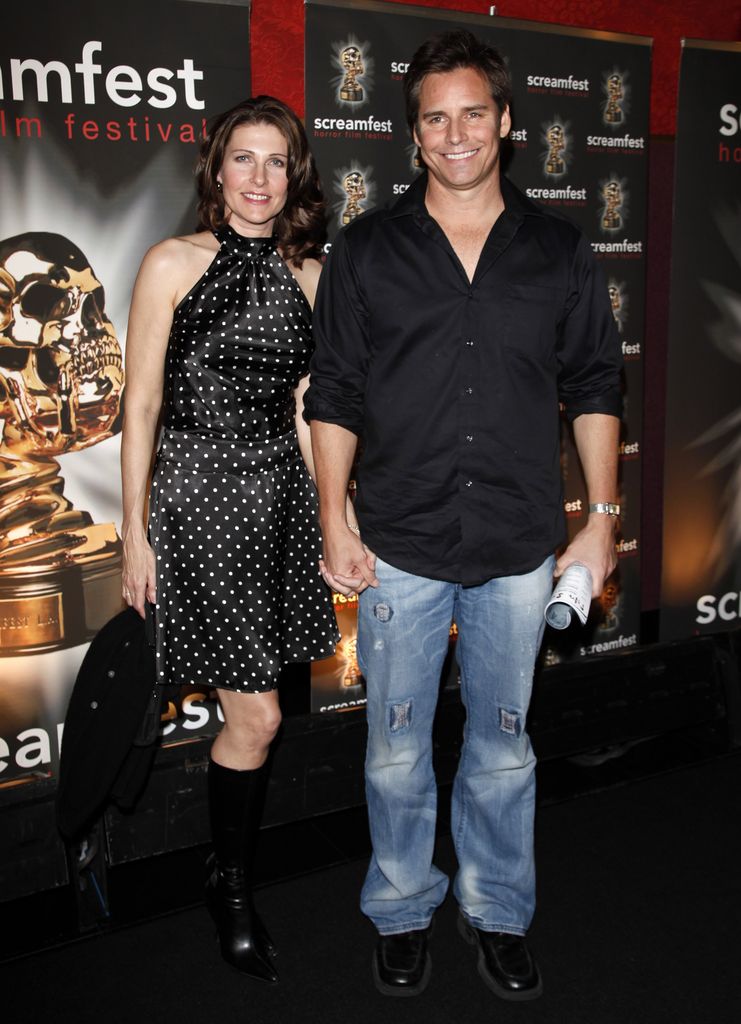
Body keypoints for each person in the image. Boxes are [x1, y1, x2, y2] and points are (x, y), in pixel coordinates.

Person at [305, 30, 622, 1001]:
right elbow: (336, 396)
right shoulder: (367, 251)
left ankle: (496, 910)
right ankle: (402, 908)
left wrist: (601, 516)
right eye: (434, 117)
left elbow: (596, 382)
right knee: (396, 745)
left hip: (522, 544)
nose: (455, 133)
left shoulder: (560, 250)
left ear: (508, 123)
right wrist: (334, 521)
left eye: (472, 113)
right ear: (411, 136)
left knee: (503, 744)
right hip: (398, 539)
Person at [120, 96, 341, 984]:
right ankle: (234, 889)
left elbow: (304, 410)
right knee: (260, 712)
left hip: (276, 500)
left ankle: (226, 871)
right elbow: (138, 406)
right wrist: (133, 534)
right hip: (197, 498)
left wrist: (336, 511)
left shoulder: (313, 275)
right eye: (241, 160)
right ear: (216, 171)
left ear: (295, 177)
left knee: (258, 710)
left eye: (275, 162)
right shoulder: (172, 262)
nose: (258, 179)